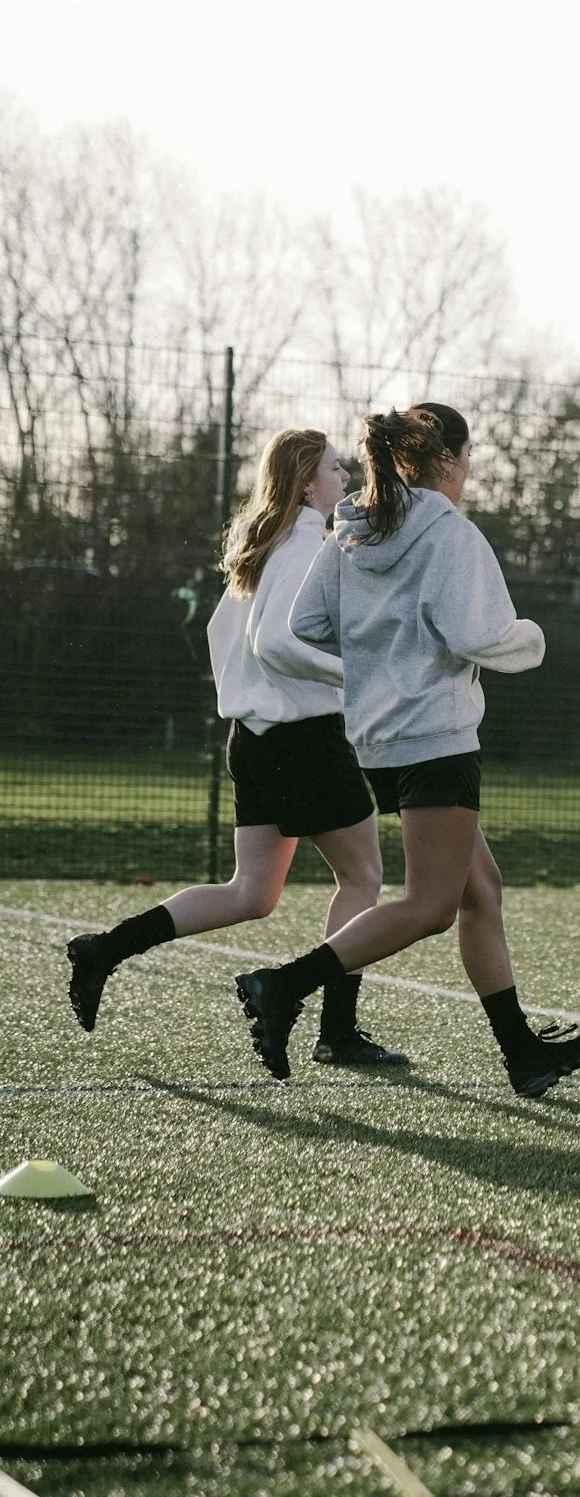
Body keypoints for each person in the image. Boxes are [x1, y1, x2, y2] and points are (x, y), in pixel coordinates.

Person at [232, 402, 580, 1094]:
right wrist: (532, 640)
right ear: (452, 459)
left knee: (479, 892)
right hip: (436, 738)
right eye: (469, 457)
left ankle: (522, 1052)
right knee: (431, 905)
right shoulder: (451, 535)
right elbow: (477, 636)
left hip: (378, 741)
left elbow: (308, 623)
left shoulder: (353, 534)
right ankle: (281, 987)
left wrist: (382, 654)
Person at [66, 429, 406, 1068]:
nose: (346, 479)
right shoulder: (307, 543)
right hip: (302, 740)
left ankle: (102, 950)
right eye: (336, 469)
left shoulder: (262, 546)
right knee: (363, 877)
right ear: (308, 481)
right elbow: (277, 645)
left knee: (253, 893)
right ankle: (337, 1032)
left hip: (252, 739)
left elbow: (229, 638)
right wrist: (355, 675)